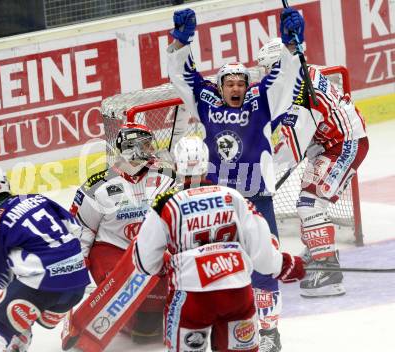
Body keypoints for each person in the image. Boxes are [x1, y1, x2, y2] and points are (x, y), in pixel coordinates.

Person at [166, 7, 306, 351]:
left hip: (256, 199)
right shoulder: (207, 100)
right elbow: (183, 76)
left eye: (241, 82)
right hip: (218, 203)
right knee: (216, 267)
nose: (236, 87)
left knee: (263, 265)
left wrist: (293, 44)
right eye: (230, 82)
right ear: (220, 86)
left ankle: (269, 330)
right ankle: (216, 322)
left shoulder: (260, 101)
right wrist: (180, 41)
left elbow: (286, 78)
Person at [133, 136, 306, 352]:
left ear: (177, 166)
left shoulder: (165, 204)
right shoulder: (233, 196)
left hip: (191, 296)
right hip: (237, 293)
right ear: (207, 166)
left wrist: (166, 264)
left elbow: (145, 262)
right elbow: (262, 253)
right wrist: (288, 265)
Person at [257, 37, 369, 298]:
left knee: (310, 204)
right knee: (308, 197)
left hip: (344, 144)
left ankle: (328, 270)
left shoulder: (301, 96)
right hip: (330, 142)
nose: (264, 76)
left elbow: (290, 151)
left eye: (267, 70)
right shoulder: (302, 74)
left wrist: (263, 172)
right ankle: (319, 249)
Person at [70, 122, 177, 343]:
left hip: (150, 250)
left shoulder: (166, 176)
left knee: (149, 330)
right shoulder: (97, 185)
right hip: (113, 253)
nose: (151, 150)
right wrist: (78, 268)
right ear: (131, 147)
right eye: (146, 145)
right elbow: (82, 229)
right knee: (133, 314)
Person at [0, 164, 90, 352]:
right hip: (77, 284)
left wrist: (16, 275)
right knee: (24, 309)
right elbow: (75, 228)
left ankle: (11, 340)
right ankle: (17, 342)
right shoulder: (38, 198)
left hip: (45, 286)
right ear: (7, 185)